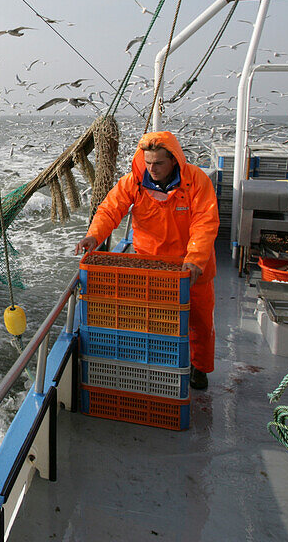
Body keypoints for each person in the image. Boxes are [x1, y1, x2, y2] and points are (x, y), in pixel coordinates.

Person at [74, 131, 219, 390]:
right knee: (152, 321)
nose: (152, 168)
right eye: (148, 162)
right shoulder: (134, 182)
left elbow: (205, 223)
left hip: (191, 268)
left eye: (159, 163)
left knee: (200, 322)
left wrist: (195, 259)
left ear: (174, 160)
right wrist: (93, 236)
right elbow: (110, 209)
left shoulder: (197, 181)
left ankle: (200, 368)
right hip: (151, 268)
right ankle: (157, 366)